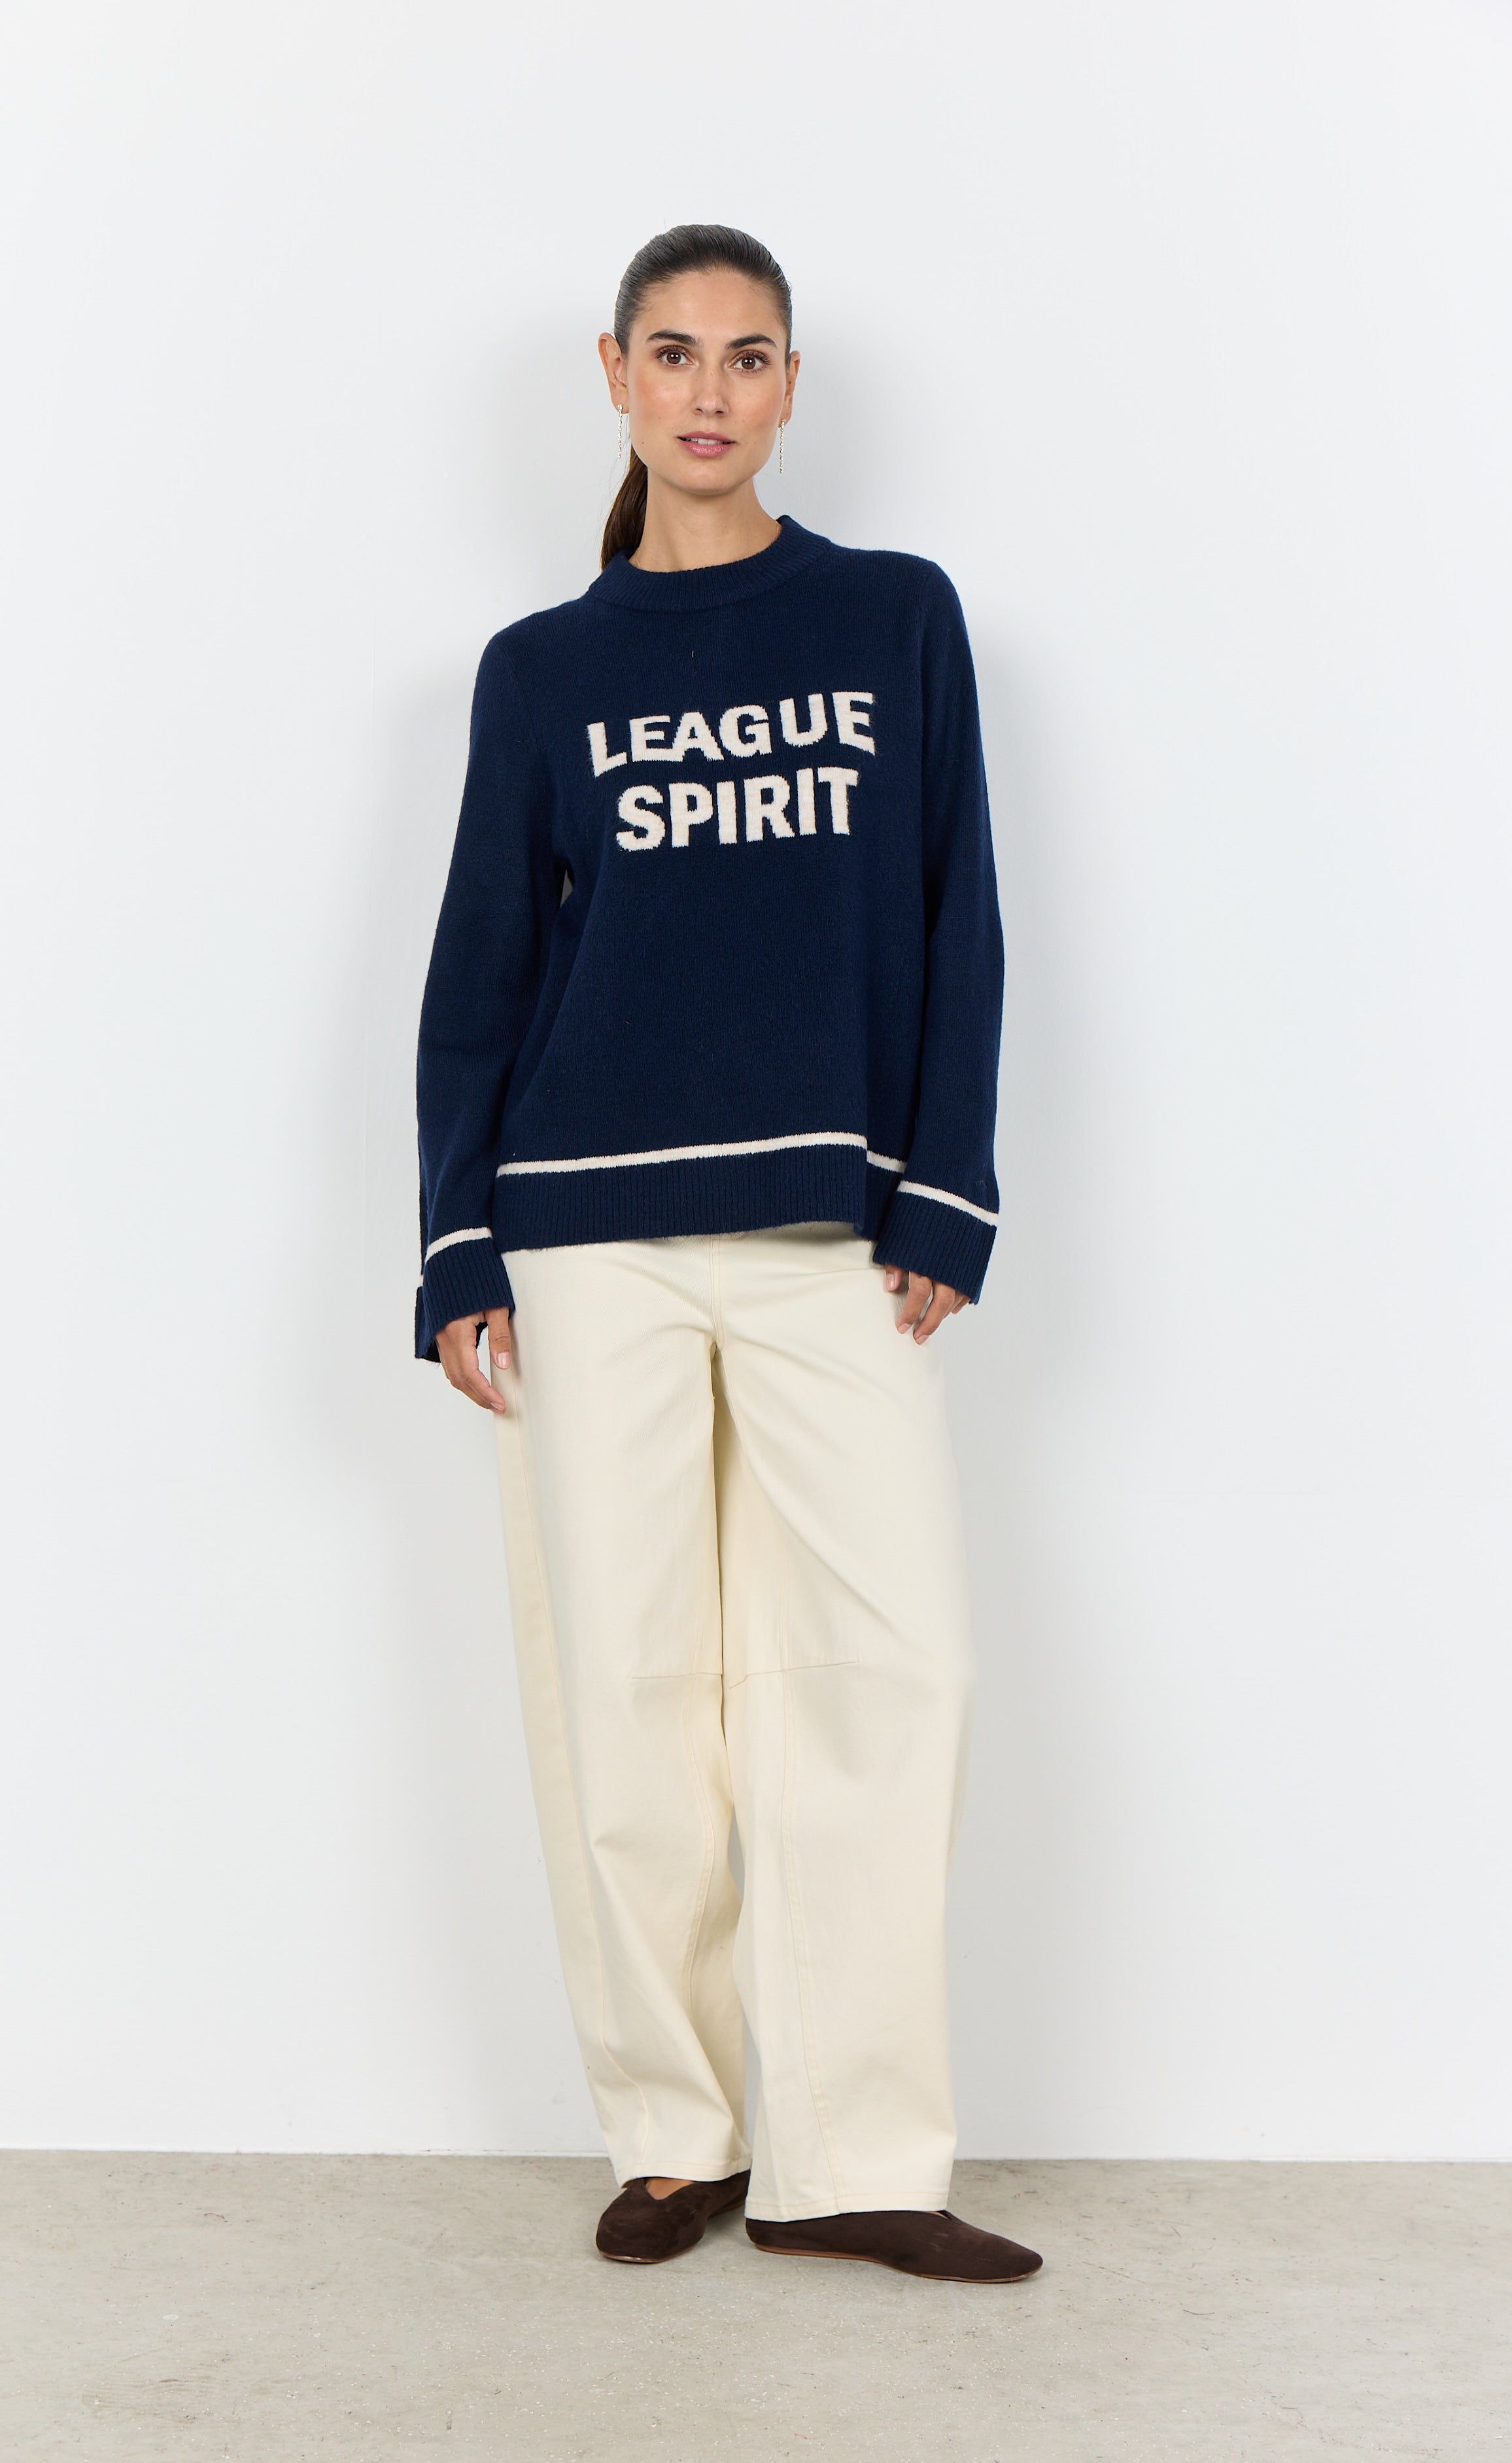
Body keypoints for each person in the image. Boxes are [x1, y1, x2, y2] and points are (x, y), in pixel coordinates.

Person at [415, 224, 1040, 2286]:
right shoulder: (543, 669)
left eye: (747, 356)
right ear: (614, 375)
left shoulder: (893, 616)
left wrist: (946, 1187)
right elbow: (481, 973)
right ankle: (673, 2135)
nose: (708, 392)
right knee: (628, 1685)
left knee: (894, 1668)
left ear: (789, 383)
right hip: (582, 1238)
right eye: (673, 354)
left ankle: (856, 2160)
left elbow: (957, 910)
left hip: (826, 1240)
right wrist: (457, 1244)